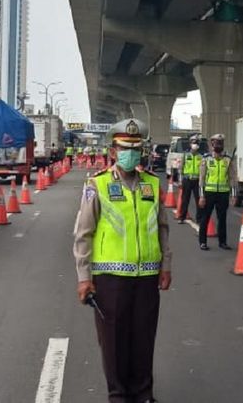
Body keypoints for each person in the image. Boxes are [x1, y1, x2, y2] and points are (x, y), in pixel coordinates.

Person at [73, 118, 172, 403]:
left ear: (143, 151)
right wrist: (83, 278)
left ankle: (143, 393)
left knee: (144, 337)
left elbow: (162, 227)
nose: (131, 153)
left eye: (136, 148)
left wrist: (166, 266)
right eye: (125, 148)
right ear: (114, 151)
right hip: (109, 278)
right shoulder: (98, 184)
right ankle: (118, 394)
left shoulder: (152, 185)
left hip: (147, 277)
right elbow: (83, 233)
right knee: (114, 340)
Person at [197, 133, 234, 251]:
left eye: (220, 143)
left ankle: (222, 242)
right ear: (212, 144)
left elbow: (232, 177)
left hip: (223, 193)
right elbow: (202, 179)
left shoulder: (228, 159)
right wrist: (201, 196)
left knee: (222, 219)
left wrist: (234, 195)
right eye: (216, 143)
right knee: (205, 218)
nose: (218, 145)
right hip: (209, 193)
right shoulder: (206, 159)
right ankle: (202, 242)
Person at [176, 135, 202, 224]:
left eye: (197, 143)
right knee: (185, 199)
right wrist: (180, 180)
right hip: (187, 180)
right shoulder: (186, 155)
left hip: (197, 181)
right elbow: (181, 168)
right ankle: (181, 217)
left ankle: (199, 219)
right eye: (194, 143)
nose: (195, 144)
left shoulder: (201, 157)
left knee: (198, 200)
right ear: (190, 144)